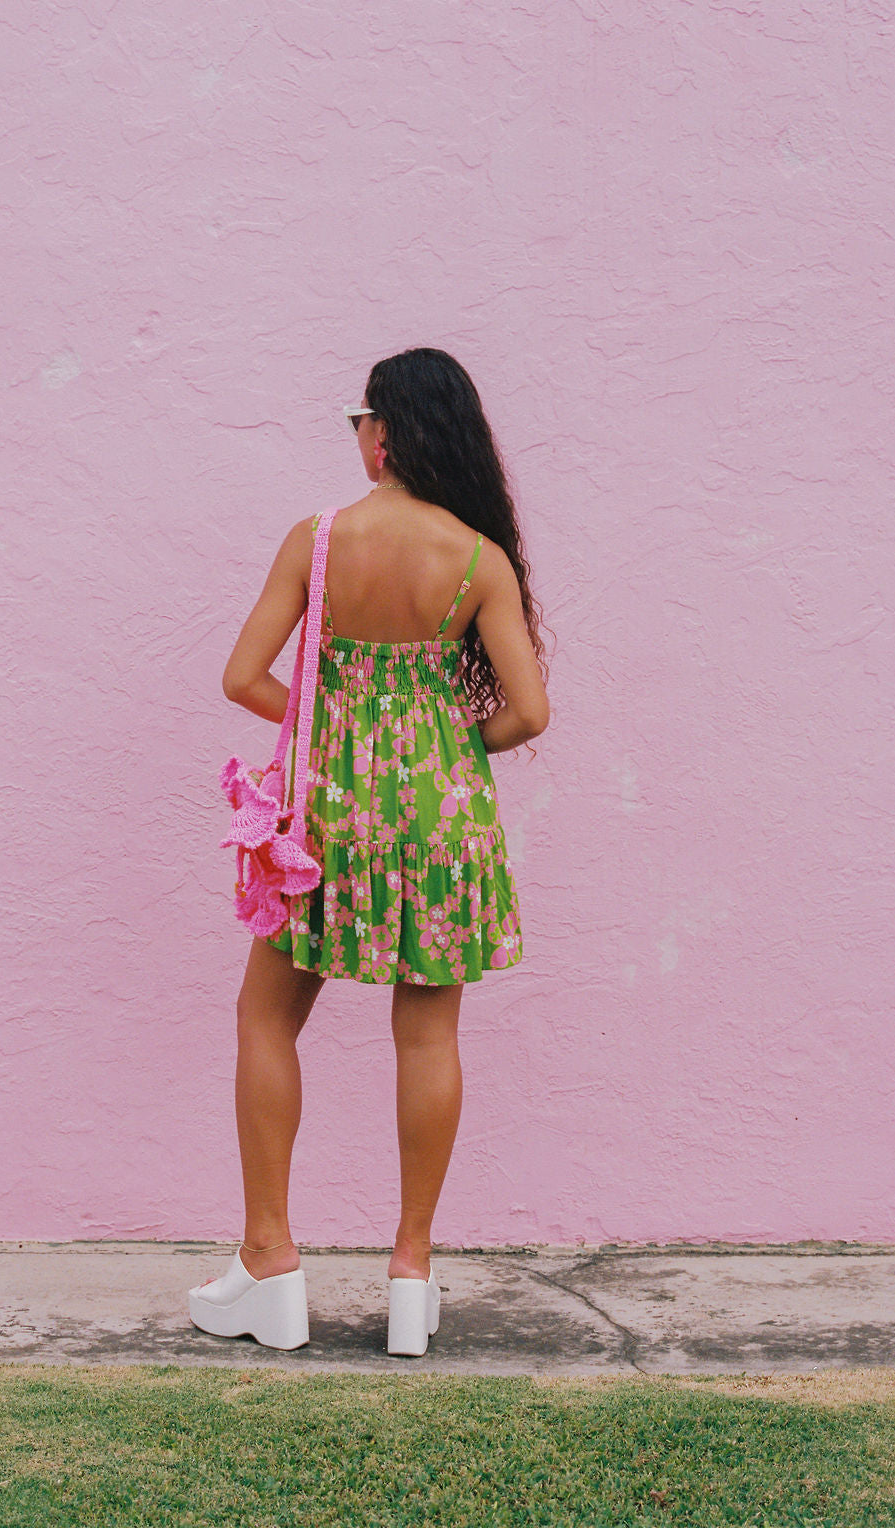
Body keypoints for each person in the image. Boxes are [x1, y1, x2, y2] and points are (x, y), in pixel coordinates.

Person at [189, 347, 550, 1354]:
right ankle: (411, 1272)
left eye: (357, 417)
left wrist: (330, 736)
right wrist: (438, 754)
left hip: (325, 813)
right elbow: (528, 710)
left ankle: (269, 1260)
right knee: (427, 1038)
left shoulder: (318, 540)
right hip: (441, 817)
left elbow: (242, 675)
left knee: (265, 1017)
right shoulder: (479, 559)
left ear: (383, 432)